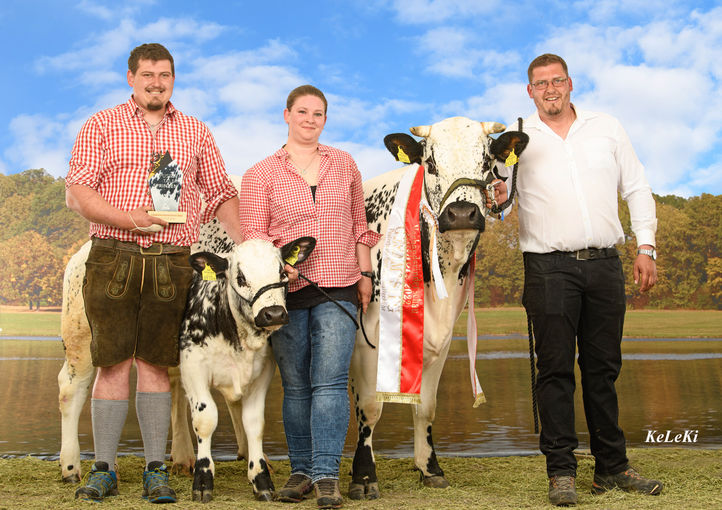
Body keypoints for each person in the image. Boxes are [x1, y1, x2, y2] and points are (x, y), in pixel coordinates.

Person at [65, 43, 242, 503]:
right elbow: (78, 192)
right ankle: (104, 470)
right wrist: (130, 218)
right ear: (131, 78)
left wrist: (247, 246)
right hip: (113, 254)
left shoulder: (195, 131)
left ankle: (154, 472)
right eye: (147, 75)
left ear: (173, 79)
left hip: (172, 259)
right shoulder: (101, 124)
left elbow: (221, 193)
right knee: (111, 364)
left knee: (155, 367)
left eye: (164, 75)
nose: (156, 83)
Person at [491, 54, 663, 506]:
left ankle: (612, 468)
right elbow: (501, 203)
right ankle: (561, 471)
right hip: (548, 267)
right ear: (529, 91)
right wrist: (498, 192)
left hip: (606, 264)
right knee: (555, 371)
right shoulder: (516, 137)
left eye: (557, 80)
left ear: (571, 84)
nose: (550, 89)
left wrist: (646, 246)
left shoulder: (607, 126)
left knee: (603, 369)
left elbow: (637, 187)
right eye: (540, 83)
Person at [239, 85, 380, 509]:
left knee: (331, 381)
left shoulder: (344, 164)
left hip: (338, 284)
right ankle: (300, 470)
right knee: (296, 384)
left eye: (318, 113)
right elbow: (254, 238)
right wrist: (279, 266)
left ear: (324, 119)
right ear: (287, 115)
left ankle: (326, 475)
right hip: (285, 294)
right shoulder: (260, 173)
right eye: (303, 112)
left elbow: (360, 224)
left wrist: (367, 272)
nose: (310, 119)